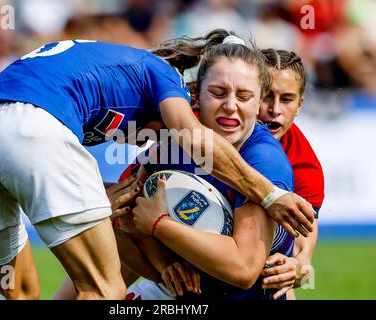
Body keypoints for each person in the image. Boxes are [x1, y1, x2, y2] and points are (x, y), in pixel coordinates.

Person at [0, 31, 313, 300]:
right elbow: (192, 136)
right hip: (31, 129)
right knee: (104, 290)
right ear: (191, 94)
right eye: (217, 94)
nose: (146, 140)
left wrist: (102, 195)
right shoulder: (162, 76)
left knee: (14, 292)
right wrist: (268, 195)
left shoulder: (111, 73)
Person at [125, 34, 296, 300]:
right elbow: (127, 219)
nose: (230, 106)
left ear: (260, 100)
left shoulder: (264, 159)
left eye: (244, 96)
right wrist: (163, 264)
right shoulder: (172, 142)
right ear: (195, 95)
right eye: (217, 93)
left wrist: (161, 225)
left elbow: (243, 270)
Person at [257, 49, 325, 299]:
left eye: (287, 99)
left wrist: (298, 268)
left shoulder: (305, 167)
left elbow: (303, 257)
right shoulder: (211, 131)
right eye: (266, 96)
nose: (275, 109)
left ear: (300, 105)